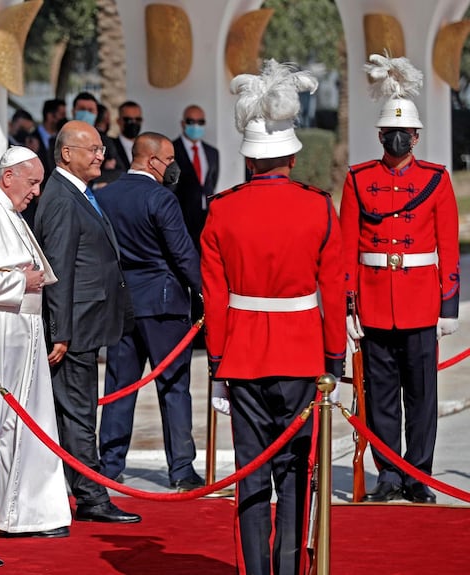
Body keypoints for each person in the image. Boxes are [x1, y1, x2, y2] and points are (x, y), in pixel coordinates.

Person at [202, 61, 344, 575]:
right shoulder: (318, 207)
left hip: (241, 358)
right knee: (295, 473)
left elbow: (214, 296)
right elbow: (333, 287)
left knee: (251, 473)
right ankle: (288, 568)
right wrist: (334, 356)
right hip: (303, 356)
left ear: (250, 160)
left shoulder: (222, 209)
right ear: (290, 154)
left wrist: (217, 362)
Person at [341, 54, 460, 505]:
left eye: (405, 133)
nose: (397, 138)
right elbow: (347, 249)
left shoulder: (436, 179)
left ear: (415, 136)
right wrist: (348, 305)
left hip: (420, 302)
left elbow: (449, 246)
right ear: (380, 136)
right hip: (373, 304)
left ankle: (417, 476)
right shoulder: (358, 179)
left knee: (422, 398)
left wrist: (448, 306)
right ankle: (388, 475)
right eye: (390, 133)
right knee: (381, 397)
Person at [0, 146, 72, 538]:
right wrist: (20, 282)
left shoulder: (12, 214)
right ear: (8, 177)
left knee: (26, 424)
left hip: (25, 333)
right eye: (32, 182)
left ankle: (27, 512)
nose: (36, 191)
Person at [34, 120, 140, 524]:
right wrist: (60, 329)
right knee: (78, 413)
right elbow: (58, 267)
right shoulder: (61, 197)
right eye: (92, 149)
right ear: (66, 154)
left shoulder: (78, 193)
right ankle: (93, 498)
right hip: (74, 326)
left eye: (100, 148)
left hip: (88, 321)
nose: (102, 155)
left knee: (76, 411)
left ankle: (82, 491)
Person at [96, 132, 203, 490]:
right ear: (151, 160)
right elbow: (182, 254)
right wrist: (206, 290)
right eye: (169, 159)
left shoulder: (104, 195)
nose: (173, 166)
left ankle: (109, 466)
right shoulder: (161, 198)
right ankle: (182, 470)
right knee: (173, 387)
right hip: (163, 304)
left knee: (120, 386)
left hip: (122, 302)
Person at [172, 104, 219, 347]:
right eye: (192, 121)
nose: (196, 126)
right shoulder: (174, 150)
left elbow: (210, 186)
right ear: (183, 123)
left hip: (205, 224)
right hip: (182, 224)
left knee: (205, 275)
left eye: (201, 122)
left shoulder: (212, 152)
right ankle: (186, 326)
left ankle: (203, 329)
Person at [110, 100, 143, 169]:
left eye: (138, 119)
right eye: (128, 120)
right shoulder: (110, 146)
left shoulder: (146, 147)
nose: (133, 123)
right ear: (118, 121)